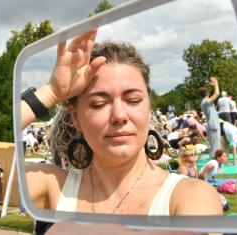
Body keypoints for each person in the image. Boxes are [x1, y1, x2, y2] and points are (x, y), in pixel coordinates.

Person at [21, 30, 221, 231]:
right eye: (99, 103)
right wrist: (51, 92)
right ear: (76, 117)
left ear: (148, 108)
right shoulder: (52, 186)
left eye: (132, 100)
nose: (119, 115)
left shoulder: (190, 196)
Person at [199, 77, 221, 157]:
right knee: (215, 146)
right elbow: (217, 93)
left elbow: (215, 94)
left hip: (212, 125)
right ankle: (215, 162)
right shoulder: (205, 102)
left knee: (215, 146)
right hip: (213, 126)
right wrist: (215, 83)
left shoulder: (204, 102)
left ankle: (215, 162)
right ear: (207, 93)